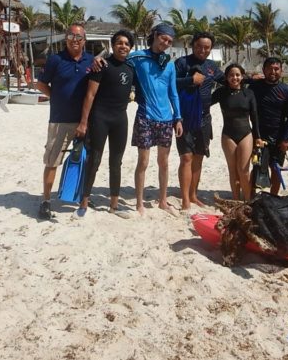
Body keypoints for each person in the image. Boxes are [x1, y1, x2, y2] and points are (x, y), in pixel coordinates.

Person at [35, 23, 95, 220]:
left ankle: (82, 196)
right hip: (60, 120)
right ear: (66, 38)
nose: (75, 40)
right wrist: (56, 97)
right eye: (71, 36)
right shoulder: (55, 60)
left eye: (79, 37)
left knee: (85, 160)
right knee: (52, 160)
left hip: (85, 120)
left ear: (84, 40)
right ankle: (45, 200)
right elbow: (41, 84)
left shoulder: (91, 61)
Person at [75, 30, 135, 216]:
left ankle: (114, 205)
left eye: (126, 43)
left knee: (116, 163)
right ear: (113, 45)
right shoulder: (102, 65)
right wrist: (83, 122)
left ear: (130, 48)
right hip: (100, 118)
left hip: (120, 120)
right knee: (94, 160)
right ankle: (84, 202)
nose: (123, 46)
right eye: (119, 42)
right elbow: (90, 95)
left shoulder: (131, 69)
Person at [128, 23, 183, 215]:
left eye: (169, 41)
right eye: (163, 39)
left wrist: (178, 117)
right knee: (143, 162)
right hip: (145, 116)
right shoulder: (137, 57)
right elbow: (116, 63)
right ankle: (139, 204)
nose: (166, 43)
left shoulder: (169, 63)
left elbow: (173, 92)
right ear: (155, 35)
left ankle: (162, 201)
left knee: (164, 162)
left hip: (166, 119)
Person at [174, 31, 225, 210]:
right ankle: (185, 198)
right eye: (199, 46)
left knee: (198, 158)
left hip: (204, 118)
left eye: (207, 47)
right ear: (193, 45)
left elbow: (228, 81)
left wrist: (251, 80)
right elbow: (170, 82)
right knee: (186, 157)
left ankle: (193, 195)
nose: (202, 50)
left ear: (211, 48)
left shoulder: (212, 66)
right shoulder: (182, 63)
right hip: (185, 117)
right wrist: (191, 80)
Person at [212, 63, 260, 202]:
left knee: (243, 170)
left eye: (237, 75)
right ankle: (235, 200)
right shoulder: (221, 93)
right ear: (226, 77)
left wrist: (258, 137)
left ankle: (247, 200)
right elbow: (204, 104)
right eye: (231, 75)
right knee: (232, 170)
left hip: (246, 134)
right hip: (228, 135)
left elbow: (254, 116)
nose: (235, 77)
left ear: (242, 76)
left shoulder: (249, 93)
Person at [250, 57, 288, 196]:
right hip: (258, 133)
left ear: (281, 71)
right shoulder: (255, 87)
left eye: (276, 69)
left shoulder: (286, 91)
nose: (273, 71)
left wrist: (286, 139)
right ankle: (251, 194)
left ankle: (273, 196)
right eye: (270, 68)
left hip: (279, 135)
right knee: (257, 165)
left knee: (275, 168)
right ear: (264, 70)